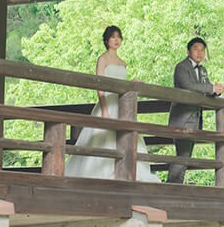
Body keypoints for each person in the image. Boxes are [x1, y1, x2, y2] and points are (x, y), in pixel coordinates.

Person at [63, 25, 160, 182]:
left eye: (119, 37)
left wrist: (131, 83)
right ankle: (99, 175)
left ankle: (126, 173)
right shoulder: (103, 59)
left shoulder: (123, 63)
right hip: (107, 103)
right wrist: (105, 110)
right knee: (102, 139)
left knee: (126, 137)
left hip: (121, 105)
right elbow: (100, 86)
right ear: (107, 40)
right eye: (113, 37)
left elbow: (120, 84)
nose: (116, 40)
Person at [166, 36, 224, 184]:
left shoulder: (203, 69)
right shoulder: (181, 67)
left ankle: (175, 186)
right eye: (195, 49)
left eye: (202, 50)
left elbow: (206, 87)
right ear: (188, 51)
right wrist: (211, 88)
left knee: (185, 156)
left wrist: (216, 91)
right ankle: (172, 187)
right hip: (182, 119)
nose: (199, 53)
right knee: (183, 155)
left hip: (194, 119)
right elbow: (188, 86)